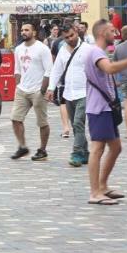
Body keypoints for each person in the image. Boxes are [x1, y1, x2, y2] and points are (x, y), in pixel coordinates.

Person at [83, 21, 127, 205]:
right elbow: (109, 69)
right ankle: (95, 193)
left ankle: (102, 186)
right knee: (97, 149)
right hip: (99, 107)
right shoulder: (95, 52)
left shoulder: (100, 52)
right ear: (103, 33)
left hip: (107, 106)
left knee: (116, 147)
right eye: (112, 30)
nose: (116, 32)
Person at [47, 23, 89, 167]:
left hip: (84, 92)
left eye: (72, 35)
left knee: (78, 122)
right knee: (76, 124)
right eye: (66, 37)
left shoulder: (87, 49)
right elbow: (56, 70)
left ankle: (76, 153)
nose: (70, 39)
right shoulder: (63, 51)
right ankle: (85, 152)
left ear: (76, 32)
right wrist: (51, 88)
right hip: (68, 92)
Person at [10, 22, 53, 161]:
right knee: (15, 119)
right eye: (22, 30)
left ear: (34, 32)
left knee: (42, 122)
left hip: (38, 90)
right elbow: (17, 69)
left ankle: (42, 150)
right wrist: (18, 85)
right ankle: (22, 147)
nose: (23, 32)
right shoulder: (19, 49)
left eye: (27, 30)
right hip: (22, 89)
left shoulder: (42, 48)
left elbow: (49, 70)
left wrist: (43, 89)